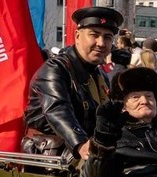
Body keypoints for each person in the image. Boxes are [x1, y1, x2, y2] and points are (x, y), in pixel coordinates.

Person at [24, 6, 123, 160]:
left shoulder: (99, 74)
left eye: (108, 37)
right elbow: (58, 109)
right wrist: (80, 143)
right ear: (77, 36)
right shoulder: (56, 69)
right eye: (94, 35)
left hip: (86, 152)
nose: (101, 43)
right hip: (52, 156)